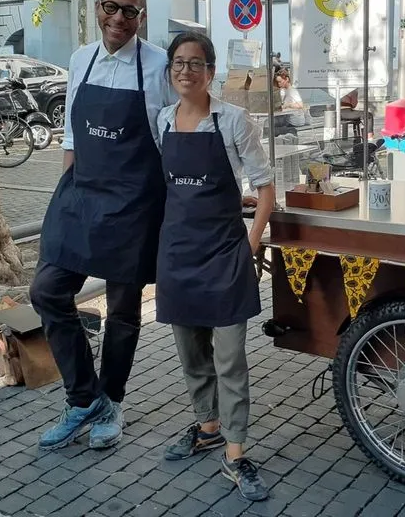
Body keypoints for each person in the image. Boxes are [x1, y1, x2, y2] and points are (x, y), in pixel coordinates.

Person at [31, 0, 177, 452]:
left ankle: (111, 401)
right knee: (47, 291)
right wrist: (69, 191)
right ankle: (82, 398)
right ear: (98, 7)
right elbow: (74, 133)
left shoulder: (157, 65)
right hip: (83, 190)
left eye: (129, 12)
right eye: (111, 8)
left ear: (142, 16)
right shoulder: (80, 59)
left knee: (124, 310)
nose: (118, 19)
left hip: (135, 201)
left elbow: (171, 135)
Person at [155, 31, 274, 502]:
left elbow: (265, 190)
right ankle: (206, 427)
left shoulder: (233, 121)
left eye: (196, 63)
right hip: (178, 254)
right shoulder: (163, 120)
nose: (186, 71)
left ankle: (236, 452)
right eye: (178, 63)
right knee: (191, 355)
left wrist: (250, 244)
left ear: (210, 72)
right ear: (171, 71)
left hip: (225, 254)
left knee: (230, 361)